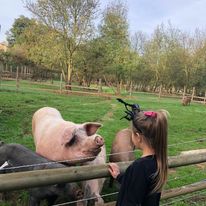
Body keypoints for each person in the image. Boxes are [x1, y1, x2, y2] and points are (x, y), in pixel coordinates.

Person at [108, 109, 169, 206]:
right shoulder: (159, 161)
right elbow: (139, 184)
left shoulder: (139, 167)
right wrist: (119, 176)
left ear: (138, 136)